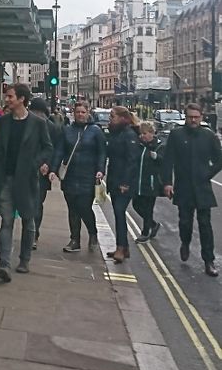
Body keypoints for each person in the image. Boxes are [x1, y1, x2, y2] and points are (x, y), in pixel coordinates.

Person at [0, 83, 52, 281]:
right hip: (6, 179)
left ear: (22, 99)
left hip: (26, 179)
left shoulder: (37, 123)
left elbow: (47, 148)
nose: (6, 99)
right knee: (6, 221)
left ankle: (24, 260)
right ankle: (4, 264)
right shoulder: (3, 122)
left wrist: (36, 163)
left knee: (28, 220)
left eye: (10, 96)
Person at [162, 102, 222, 277]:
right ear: (185, 117)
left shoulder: (209, 136)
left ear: (201, 117)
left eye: (196, 117)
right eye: (190, 117)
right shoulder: (176, 135)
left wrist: (208, 174)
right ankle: (185, 243)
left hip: (202, 186)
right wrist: (167, 183)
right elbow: (168, 161)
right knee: (185, 222)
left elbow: (219, 159)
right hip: (184, 186)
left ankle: (209, 261)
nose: (193, 120)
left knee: (205, 225)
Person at [50, 100, 106, 253]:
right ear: (73, 113)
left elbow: (102, 153)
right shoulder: (67, 130)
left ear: (88, 113)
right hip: (70, 175)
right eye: (78, 112)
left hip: (88, 176)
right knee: (72, 208)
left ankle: (92, 233)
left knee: (84, 206)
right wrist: (53, 169)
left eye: (83, 112)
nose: (80, 115)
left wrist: (101, 170)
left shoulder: (95, 131)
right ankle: (75, 240)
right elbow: (59, 151)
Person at [106, 105, 141, 263]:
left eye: (112, 116)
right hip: (115, 180)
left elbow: (132, 161)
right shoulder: (116, 133)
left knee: (120, 213)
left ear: (122, 118)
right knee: (117, 213)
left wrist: (125, 182)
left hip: (124, 182)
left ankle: (121, 247)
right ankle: (123, 248)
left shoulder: (129, 135)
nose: (110, 119)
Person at [29, 97, 62, 247]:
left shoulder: (52, 128)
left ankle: (34, 233)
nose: (36, 115)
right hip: (26, 169)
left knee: (37, 203)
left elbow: (54, 149)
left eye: (39, 112)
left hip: (42, 172)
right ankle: (30, 231)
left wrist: (49, 166)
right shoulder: (27, 124)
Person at [132, 120, 165, 242]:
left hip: (151, 184)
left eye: (145, 133)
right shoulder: (139, 145)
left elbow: (165, 162)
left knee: (148, 208)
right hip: (138, 182)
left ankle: (145, 233)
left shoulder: (159, 146)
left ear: (152, 133)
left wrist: (157, 157)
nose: (142, 136)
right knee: (136, 205)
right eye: (141, 133)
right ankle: (153, 224)